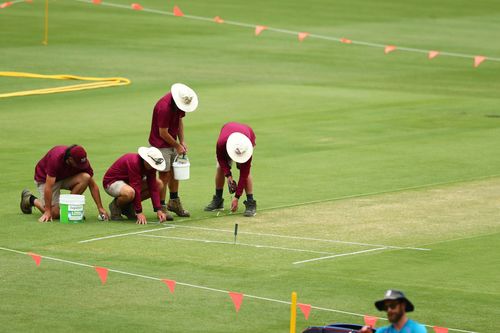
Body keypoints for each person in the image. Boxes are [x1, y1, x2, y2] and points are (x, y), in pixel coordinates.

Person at [19, 145, 109, 222]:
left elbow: (92, 185)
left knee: (86, 177)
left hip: (65, 177)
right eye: (78, 164)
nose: (81, 167)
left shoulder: (82, 162)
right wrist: (47, 211)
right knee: (54, 214)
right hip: (45, 179)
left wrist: (100, 207)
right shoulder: (56, 158)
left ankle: (68, 208)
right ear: (70, 159)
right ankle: (30, 199)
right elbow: (48, 186)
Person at [148, 83, 198, 219]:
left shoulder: (180, 103)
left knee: (175, 172)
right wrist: (177, 145)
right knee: (164, 175)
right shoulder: (164, 107)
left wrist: (182, 141)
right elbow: (163, 133)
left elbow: (179, 122)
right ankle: (162, 207)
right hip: (160, 144)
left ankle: (174, 202)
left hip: (172, 142)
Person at [103, 147, 168, 224]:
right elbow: (136, 188)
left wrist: (158, 210)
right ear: (146, 160)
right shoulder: (134, 162)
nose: (154, 167)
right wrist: (139, 212)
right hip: (111, 182)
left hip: (128, 183)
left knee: (159, 184)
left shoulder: (151, 167)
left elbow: (153, 187)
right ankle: (115, 206)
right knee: (130, 192)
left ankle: (128, 207)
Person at [204, 122, 257, 217]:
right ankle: (218, 200)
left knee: (245, 169)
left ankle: (250, 202)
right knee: (220, 168)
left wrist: (237, 197)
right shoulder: (221, 143)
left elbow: (244, 174)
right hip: (228, 134)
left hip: (248, 134)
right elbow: (221, 159)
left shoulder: (247, 147)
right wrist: (228, 175)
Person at [360, 290, 427, 333]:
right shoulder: (381, 331)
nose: (389, 310)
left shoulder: (416, 330)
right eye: (386, 307)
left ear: (403, 306)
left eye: (393, 305)